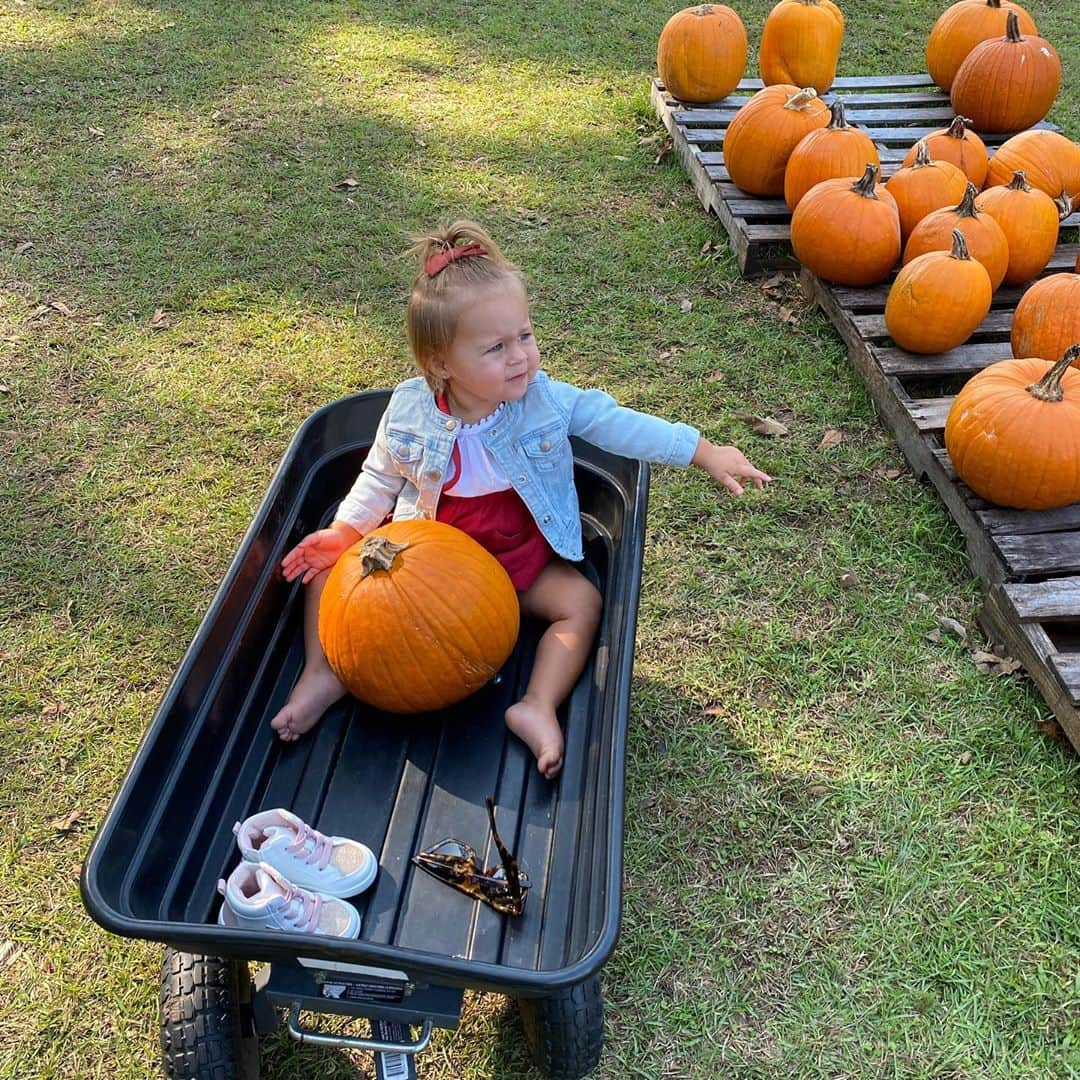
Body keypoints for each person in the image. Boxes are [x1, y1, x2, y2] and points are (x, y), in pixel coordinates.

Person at [270, 220, 772, 779]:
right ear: (441, 364)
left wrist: (703, 449)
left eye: (524, 336)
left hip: (517, 562)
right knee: (324, 569)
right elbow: (378, 478)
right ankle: (324, 672)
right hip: (427, 568)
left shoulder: (543, 401)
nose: (520, 358)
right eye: (496, 347)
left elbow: (614, 423)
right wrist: (345, 532)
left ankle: (536, 704)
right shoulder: (410, 411)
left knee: (581, 604)